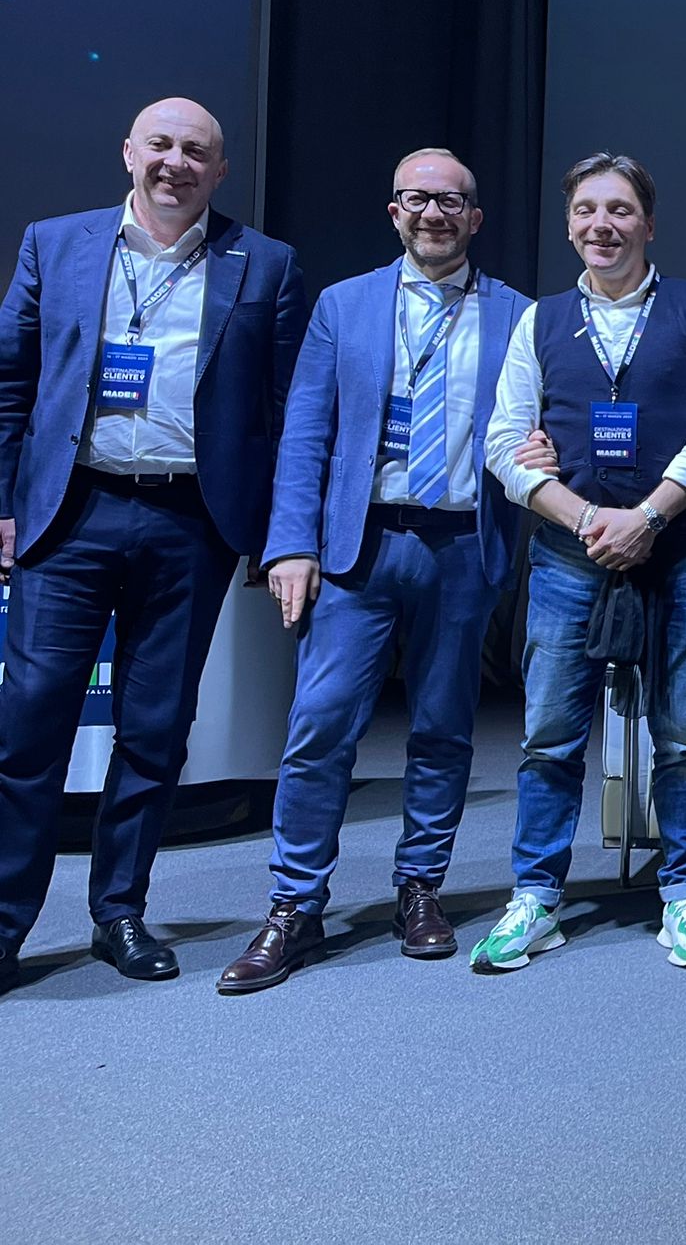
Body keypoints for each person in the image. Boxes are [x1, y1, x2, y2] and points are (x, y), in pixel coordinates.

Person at [0, 98, 307, 992]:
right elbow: (11, 381)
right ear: (129, 152)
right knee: (29, 724)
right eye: (162, 145)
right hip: (71, 512)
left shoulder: (266, 263)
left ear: (220, 170)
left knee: (156, 728)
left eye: (196, 151)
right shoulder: (54, 243)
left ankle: (119, 913)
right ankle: (6, 923)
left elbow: (286, 413)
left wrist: (282, 533)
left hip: (189, 521)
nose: (177, 162)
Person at [217, 149, 529, 991]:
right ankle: (294, 905)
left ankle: (420, 888)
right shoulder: (343, 304)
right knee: (320, 727)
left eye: (451, 201)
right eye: (417, 199)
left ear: (475, 219)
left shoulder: (518, 315)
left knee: (444, 729)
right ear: (395, 211)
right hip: (357, 547)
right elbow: (306, 433)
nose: (434, 213)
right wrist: (290, 544)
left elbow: (539, 423)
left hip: (462, 547)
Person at [472, 152, 686, 972]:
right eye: (587, 210)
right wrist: (591, 519)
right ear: (568, 226)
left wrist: (647, 518)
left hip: (680, 554)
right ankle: (536, 896)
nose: (603, 224)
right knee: (549, 736)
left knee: (685, 736)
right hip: (568, 558)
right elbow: (504, 445)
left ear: (648, 224)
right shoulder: (541, 322)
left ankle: (684, 891)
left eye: (620, 209)